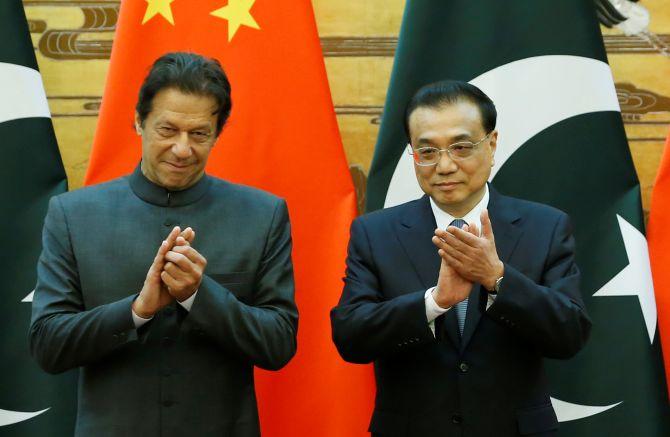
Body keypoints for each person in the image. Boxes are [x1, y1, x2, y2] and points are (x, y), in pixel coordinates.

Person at [29, 52, 298, 437]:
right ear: (138, 121)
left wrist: (198, 296)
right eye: (167, 130)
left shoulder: (262, 214)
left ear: (218, 132)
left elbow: (278, 345)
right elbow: (48, 346)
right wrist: (137, 311)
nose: (183, 149)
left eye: (199, 134)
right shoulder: (73, 215)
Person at [331, 80, 591, 437]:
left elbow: (570, 335)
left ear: (492, 143)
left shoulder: (545, 226)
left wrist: (498, 279)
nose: (445, 165)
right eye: (427, 151)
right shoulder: (375, 233)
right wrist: (432, 303)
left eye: (461, 147)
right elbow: (350, 337)